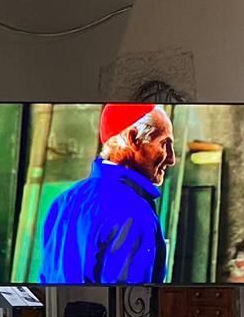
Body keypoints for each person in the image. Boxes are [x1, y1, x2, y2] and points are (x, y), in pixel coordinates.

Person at [39, 103, 176, 286]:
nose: (171, 158)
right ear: (134, 139)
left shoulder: (63, 202)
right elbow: (128, 301)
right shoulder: (135, 211)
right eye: (164, 144)